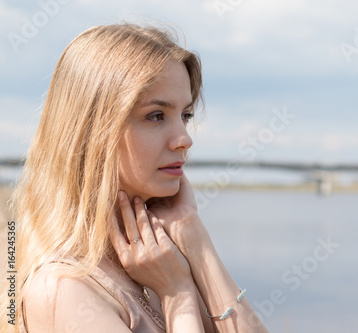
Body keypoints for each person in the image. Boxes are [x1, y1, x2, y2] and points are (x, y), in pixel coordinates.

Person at [10, 23, 269, 332]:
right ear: (94, 132)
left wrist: (195, 238)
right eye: (156, 116)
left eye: (185, 116)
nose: (184, 138)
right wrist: (177, 294)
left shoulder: (159, 257)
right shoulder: (63, 290)